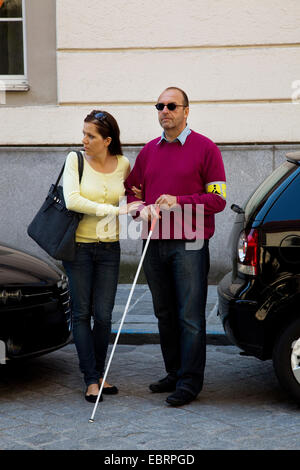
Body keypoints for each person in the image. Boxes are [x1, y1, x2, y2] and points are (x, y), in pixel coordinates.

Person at [125, 87, 226, 406]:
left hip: (190, 244)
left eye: (171, 105)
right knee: (164, 313)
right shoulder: (148, 151)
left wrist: (179, 201)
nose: (164, 110)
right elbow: (132, 191)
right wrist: (139, 209)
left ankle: (190, 382)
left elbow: (218, 200)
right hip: (153, 243)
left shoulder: (206, 149)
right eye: (160, 106)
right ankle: (174, 372)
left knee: (190, 316)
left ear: (186, 111)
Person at [63, 110, 142, 403]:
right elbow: (72, 200)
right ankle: (90, 378)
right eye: (83, 133)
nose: (83, 140)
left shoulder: (123, 164)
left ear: (107, 140)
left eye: (91, 136)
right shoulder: (75, 160)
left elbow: (133, 197)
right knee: (81, 314)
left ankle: (99, 372)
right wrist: (113, 210)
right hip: (79, 248)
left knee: (105, 316)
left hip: (110, 249)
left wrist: (143, 206)